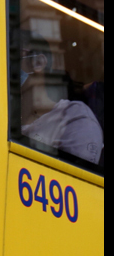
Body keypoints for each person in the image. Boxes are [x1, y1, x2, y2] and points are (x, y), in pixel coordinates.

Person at [18, 38, 103, 166]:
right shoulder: (6, 118)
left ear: (38, 62)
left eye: (11, 56)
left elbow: (75, 176)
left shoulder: (74, 119)